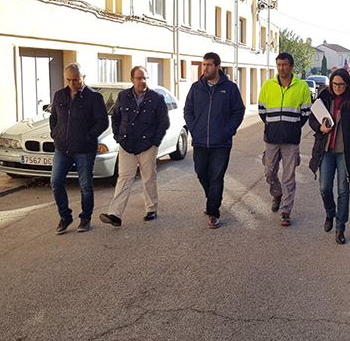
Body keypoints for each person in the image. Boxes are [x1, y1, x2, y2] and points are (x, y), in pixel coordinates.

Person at [308, 69, 350, 244]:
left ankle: (340, 227)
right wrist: (319, 128)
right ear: (331, 83)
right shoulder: (324, 96)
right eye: (335, 84)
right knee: (324, 188)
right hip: (326, 150)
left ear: (347, 84)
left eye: (341, 84)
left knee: (344, 190)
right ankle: (330, 213)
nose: (338, 87)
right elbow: (312, 118)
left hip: (345, 152)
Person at [100, 66, 170, 227]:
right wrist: (118, 137)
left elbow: (163, 122)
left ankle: (151, 209)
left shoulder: (156, 98)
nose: (142, 81)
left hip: (148, 146)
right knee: (124, 179)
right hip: (127, 145)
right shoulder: (123, 96)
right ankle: (115, 214)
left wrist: (155, 142)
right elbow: (116, 117)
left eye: (145, 78)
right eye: (139, 78)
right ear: (132, 80)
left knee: (148, 178)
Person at [183, 52, 245, 229]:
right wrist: (194, 128)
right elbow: (188, 110)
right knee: (201, 172)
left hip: (221, 142)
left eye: (209, 65)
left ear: (217, 67)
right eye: (204, 65)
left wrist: (229, 130)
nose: (205, 68)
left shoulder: (230, 88)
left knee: (216, 176)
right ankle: (212, 198)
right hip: (200, 141)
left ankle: (213, 212)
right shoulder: (196, 88)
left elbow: (238, 111)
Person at [50, 63, 108, 234]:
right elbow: (54, 118)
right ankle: (65, 217)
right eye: (68, 80)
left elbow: (103, 122)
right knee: (56, 182)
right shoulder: (59, 95)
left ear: (83, 77)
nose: (72, 83)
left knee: (85, 186)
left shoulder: (94, 97)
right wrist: (55, 134)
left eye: (76, 79)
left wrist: (88, 136)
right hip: (63, 148)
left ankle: (85, 218)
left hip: (84, 149)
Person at [258, 52, 312, 226]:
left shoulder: (302, 86)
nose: (281, 68)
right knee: (269, 173)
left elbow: (305, 113)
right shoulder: (268, 85)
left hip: (291, 140)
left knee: (289, 177)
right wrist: (273, 126)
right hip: (271, 139)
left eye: (285, 65)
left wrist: (292, 127)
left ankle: (286, 211)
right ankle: (277, 194)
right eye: (279, 64)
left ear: (291, 67)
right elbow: (262, 111)